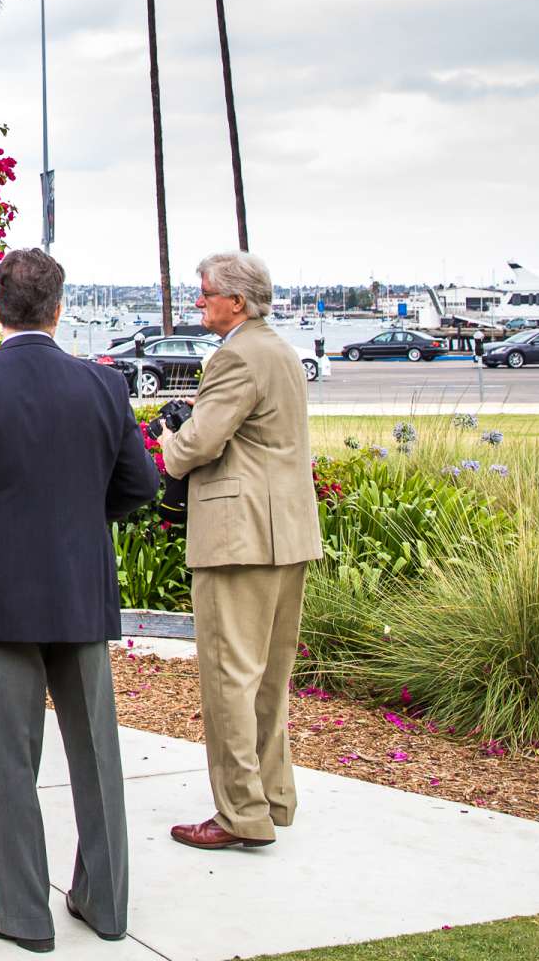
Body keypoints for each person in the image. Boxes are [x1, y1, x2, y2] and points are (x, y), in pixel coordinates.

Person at [0, 247, 158, 951]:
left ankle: (23, 914)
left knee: (10, 760)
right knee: (97, 754)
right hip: (78, 587)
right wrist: (81, 522)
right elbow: (139, 486)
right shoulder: (104, 386)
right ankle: (105, 905)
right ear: (58, 309)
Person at [158, 251, 322, 852]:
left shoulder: (235, 355)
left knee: (230, 676)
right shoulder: (280, 350)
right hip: (287, 532)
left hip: (239, 536)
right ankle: (273, 797)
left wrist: (167, 439)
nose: (198, 302)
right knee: (268, 679)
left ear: (237, 301)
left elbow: (201, 441)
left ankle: (240, 814)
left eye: (204, 294)